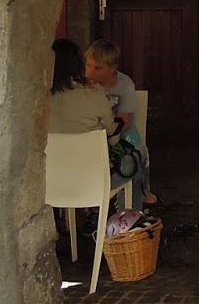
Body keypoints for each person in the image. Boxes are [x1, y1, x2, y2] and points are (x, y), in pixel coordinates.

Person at [85, 38, 155, 206]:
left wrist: (110, 132)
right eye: (88, 65)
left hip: (122, 130)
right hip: (93, 131)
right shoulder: (84, 85)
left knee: (138, 150)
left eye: (97, 68)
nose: (90, 72)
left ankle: (138, 194)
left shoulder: (125, 84)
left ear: (113, 69)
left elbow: (125, 120)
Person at [50, 38, 120, 137]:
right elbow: (111, 133)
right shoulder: (97, 96)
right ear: (79, 64)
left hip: (52, 147)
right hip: (90, 147)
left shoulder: (39, 100)